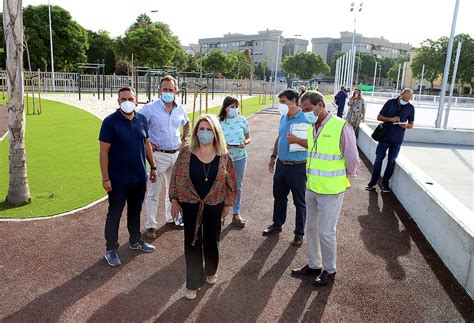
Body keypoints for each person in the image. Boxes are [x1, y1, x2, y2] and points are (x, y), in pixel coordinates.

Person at [291, 91, 360, 286]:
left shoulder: (341, 126)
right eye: (303, 110)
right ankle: (314, 264)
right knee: (311, 227)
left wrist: (346, 177)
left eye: (307, 109)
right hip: (312, 187)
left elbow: (352, 158)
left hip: (331, 190)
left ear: (320, 105)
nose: (305, 113)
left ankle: (330, 269)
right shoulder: (311, 127)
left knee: (326, 231)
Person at [169, 114, 237, 300]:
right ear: (196, 132)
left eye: (209, 129)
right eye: (201, 129)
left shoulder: (224, 156)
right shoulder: (185, 152)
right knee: (192, 242)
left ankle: (211, 270)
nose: (205, 133)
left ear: (216, 133)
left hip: (214, 204)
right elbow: (176, 176)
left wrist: (228, 204)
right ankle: (192, 283)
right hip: (190, 204)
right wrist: (174, 200)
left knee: (211, 241)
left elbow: (231, 181)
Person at [99, 87, 157, 267]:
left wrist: (153, 167)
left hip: (139, 177)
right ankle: (111, 249)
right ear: (118, 102)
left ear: (136, 100)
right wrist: (105, 178)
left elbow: (147, 144)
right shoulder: (110, 122)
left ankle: (135, 240)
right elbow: (103, 152)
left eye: (130, 98)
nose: (127, 101)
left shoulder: (142, 120)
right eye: (123, 99)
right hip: (117, 180)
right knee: (114, 214)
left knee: (135, 211)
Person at [139, 75, 191, 239]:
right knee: (154, 191)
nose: (168, 92)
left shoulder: (180, 109)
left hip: (175, 154)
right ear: (159, 90)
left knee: (174, 190)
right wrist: (147, 142)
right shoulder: (150, 108)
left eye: (170, 89)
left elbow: (187, 123)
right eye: (165, 89)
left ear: (176, 91)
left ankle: (171, 218)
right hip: (157, 156)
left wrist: (184, 139)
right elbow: (137, 123)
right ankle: (151, 226)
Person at [264, 89, 310, 247]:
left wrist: (297, 140)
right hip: (282, 165)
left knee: (299, 202)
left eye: (283, 102)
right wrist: (273, 157)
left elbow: (313, 143)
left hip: (298, 167)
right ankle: (277, 224)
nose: (280, 105)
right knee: (279, 196)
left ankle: (299, 233)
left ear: (294, 101)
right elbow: (280, 137)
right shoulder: (283, 117)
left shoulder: (306, 118)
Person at [366, 88, 415, 193]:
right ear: (401, 94)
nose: (406, 101)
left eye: (409, 99)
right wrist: (391, 119)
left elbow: (411, 125)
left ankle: (385, 184)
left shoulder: (410, 108)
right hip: (384, 137)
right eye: (405, 98)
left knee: (391, 161)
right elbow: (379, 117)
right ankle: (372, 183)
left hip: (397, 139)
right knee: (378, 159)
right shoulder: (390, 102)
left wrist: (405, 125)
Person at [218, 96, 251, 228]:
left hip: (240, 157)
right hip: (223, 157)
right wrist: (223, 144)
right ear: (225, 107)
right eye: (232, 107)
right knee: (221, 184)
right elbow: (214, 140)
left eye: (236, 106)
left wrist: (244, 142)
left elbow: (249, 138)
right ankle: (220, 213)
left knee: (237, 185)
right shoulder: (219, 122)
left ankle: (236, 213)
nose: (234, 109)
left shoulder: (242, 120)